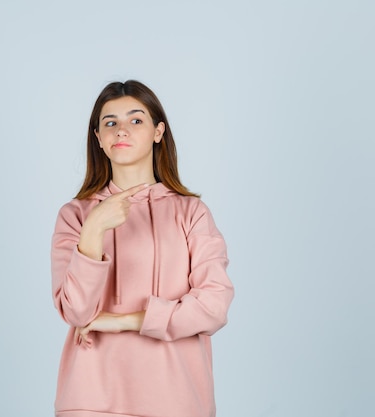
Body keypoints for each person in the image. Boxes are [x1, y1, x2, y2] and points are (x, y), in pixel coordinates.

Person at [50, 80, 234, 417]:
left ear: (158, 132)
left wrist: (123, 321)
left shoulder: (191, 213)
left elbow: (214, 305)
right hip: (91, 400)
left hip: (178, 400)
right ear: (99, 139)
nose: (122, 130)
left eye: (136, 120)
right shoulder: (75, 215)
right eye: (110, 123)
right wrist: (93, 229)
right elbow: (76, 312)